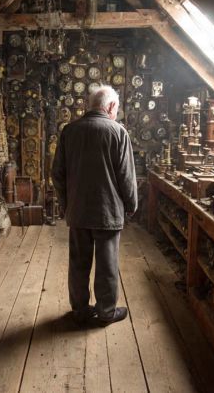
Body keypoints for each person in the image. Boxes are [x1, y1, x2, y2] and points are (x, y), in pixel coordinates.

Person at [51, 85, 137, 326]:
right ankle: (106, 311)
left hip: (78, 211)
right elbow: (127, 177)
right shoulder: (118, 133)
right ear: (110, 106)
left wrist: (67, 203)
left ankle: (79, 310)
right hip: (107, 212)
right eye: (116, 109)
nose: (116, 113)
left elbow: (57, 173)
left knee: (78, 262)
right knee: (107, 264)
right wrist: (131, 205)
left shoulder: (69, 131)